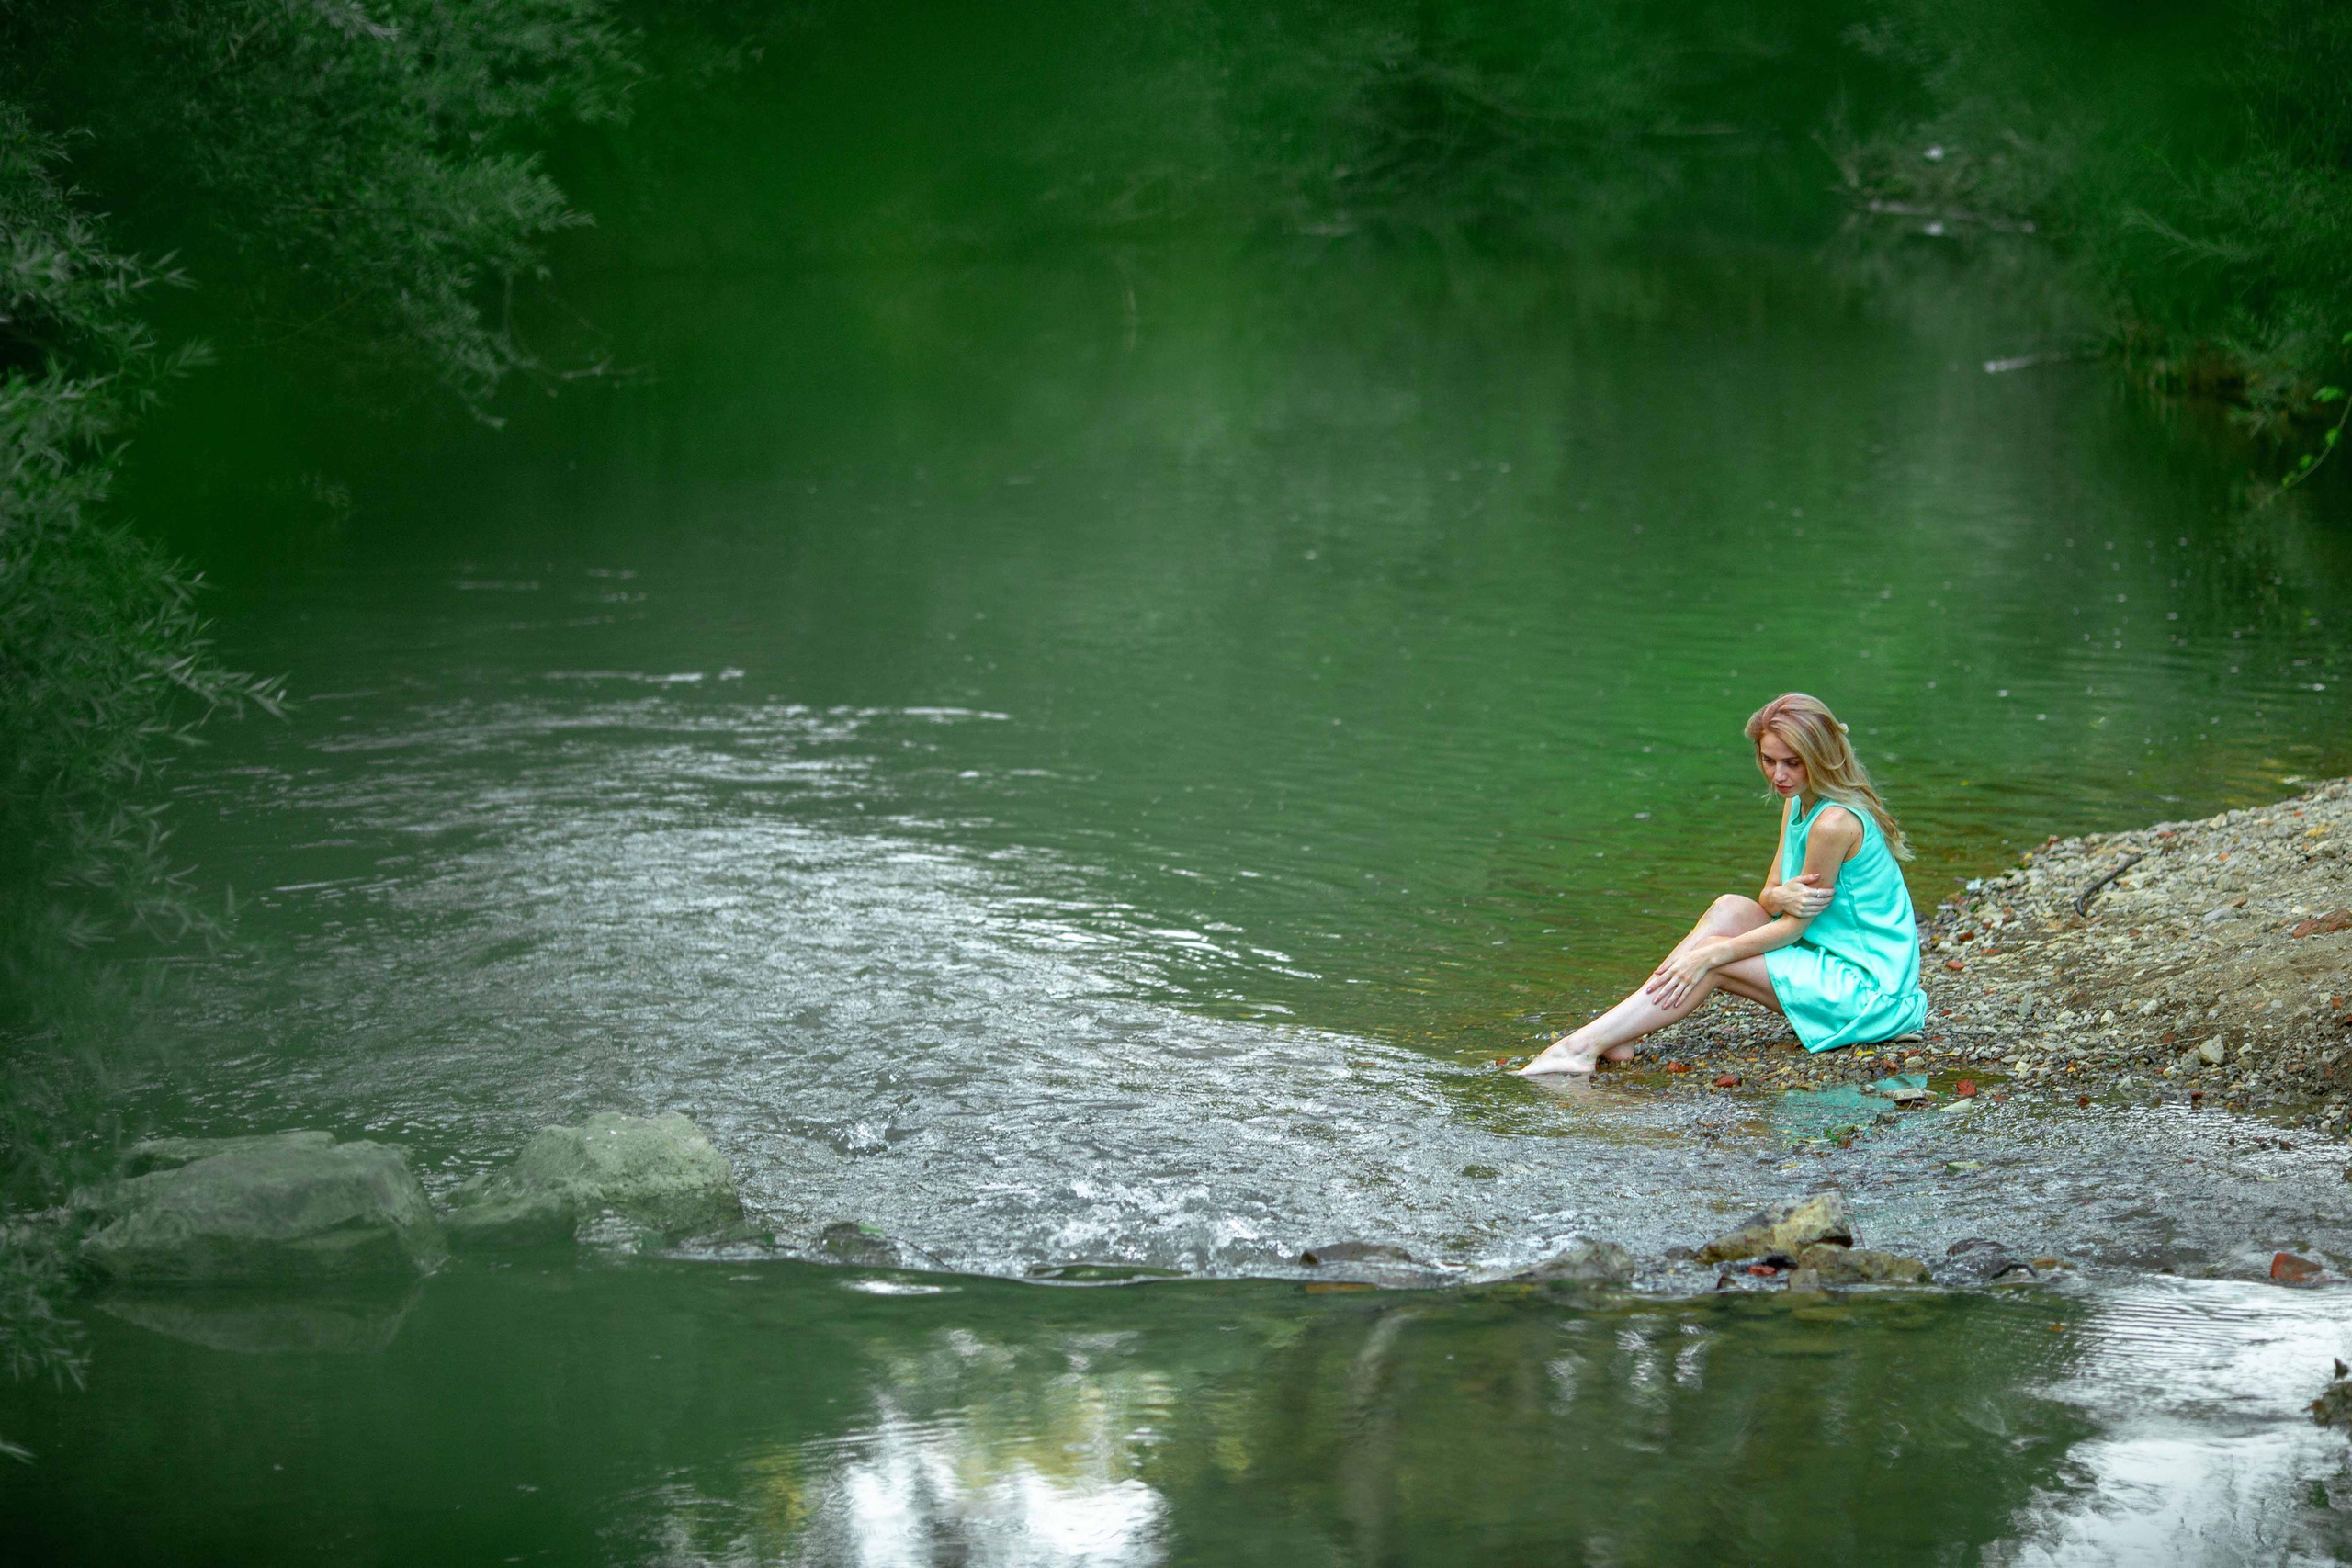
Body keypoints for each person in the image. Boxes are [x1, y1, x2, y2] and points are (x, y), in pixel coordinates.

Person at [1517, 692, 1928, 1077]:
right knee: (1728, 907)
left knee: (1714, 960)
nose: (1779, 775)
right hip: (1828, 958)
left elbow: (1793, 927)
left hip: (1872, 994)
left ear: (1822, 757)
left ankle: (1580, 1048)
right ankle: (1621, 1034)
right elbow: (1769, 899)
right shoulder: (1798, 801)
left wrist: (1709, 957)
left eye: (1793, 763)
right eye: (1769, 760)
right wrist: (1778, 894)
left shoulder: (1833, 823)